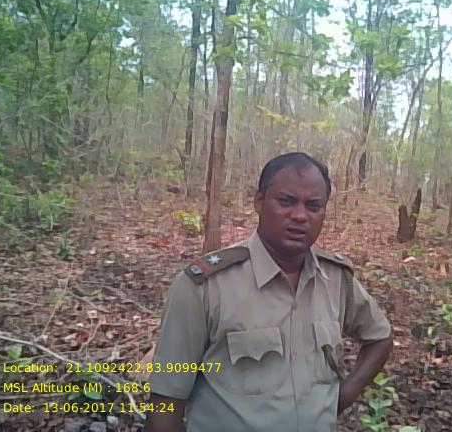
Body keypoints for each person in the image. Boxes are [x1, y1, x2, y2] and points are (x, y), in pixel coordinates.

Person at [144, 152, 392, 432]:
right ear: (259, 202)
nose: (300, 216)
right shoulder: (206, 286)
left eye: (313, 206)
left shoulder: (335, 279)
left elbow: (380, 337)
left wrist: (342, 397)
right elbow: (166, 398)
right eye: (286, 201)